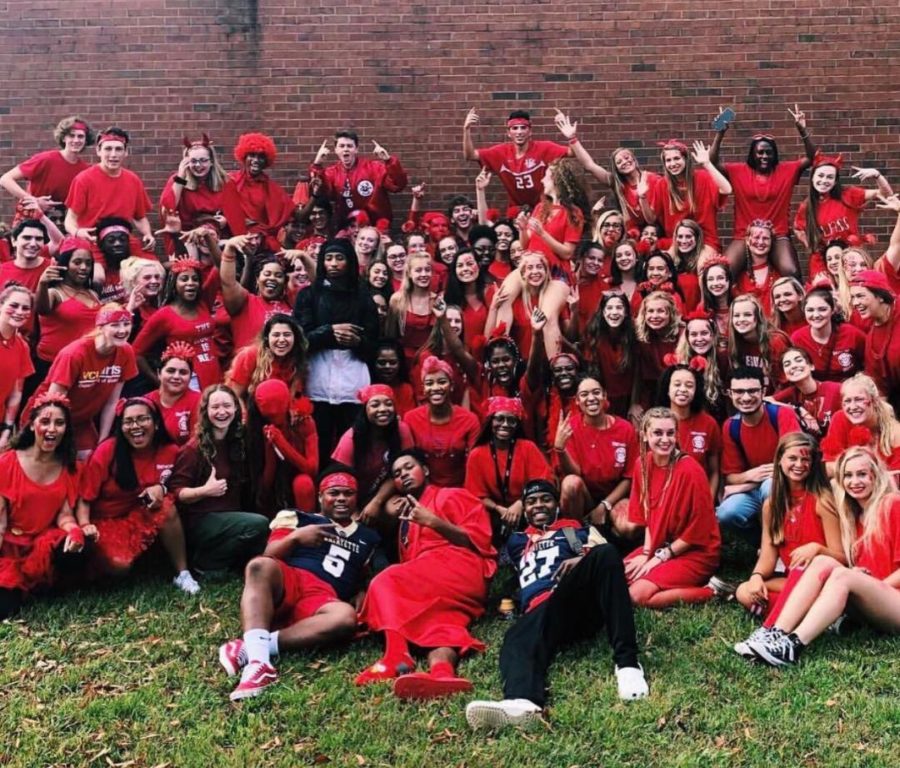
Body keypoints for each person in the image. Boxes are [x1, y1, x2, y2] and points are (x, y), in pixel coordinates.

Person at [465, 479, 647, 728]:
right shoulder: (516, 542)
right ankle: (524, 703)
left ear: (556, 505)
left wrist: (582, 557)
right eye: (531, 501)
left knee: (605, 554)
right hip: (537, 615)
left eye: (545, 499)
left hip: (571, 599)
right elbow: (483, 554)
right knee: (515, 637)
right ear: (524, 509)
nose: (539, 505)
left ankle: (627, 664)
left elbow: (606, 559)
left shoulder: (573, 531)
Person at [219, 466, 382, 701]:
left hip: (323, 596)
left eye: (348, 493)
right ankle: (259, 664)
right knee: (258, 566)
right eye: (333, 493)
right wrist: (296, 537)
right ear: (320, 496)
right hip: (291, 578)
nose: (341, 499)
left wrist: (362, 589)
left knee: (346, 617)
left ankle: (253, 647)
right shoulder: (301, 518)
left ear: (357, 498)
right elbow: (269, 554)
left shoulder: (369, 537)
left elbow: (370, 574)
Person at [740, 446, 900, 666]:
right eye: (848, 475)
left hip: (894, 601)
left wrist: (871, 585)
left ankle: (793, 646)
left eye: (862, 474)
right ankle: (774, 632)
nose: (855, 481)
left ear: (876, 476)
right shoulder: (851, 516)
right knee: (823, 561)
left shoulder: (892, 505)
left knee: (842, 576)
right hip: (872, 606)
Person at [356, 449, 496, 700]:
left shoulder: (452, 495)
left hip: (460, 567)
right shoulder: (406, 520)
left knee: (384, 581)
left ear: (427, 470)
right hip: (435, 579)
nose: (403, 475)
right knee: (440, 624)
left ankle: (395, 656)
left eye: (409, 467)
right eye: (397, 474)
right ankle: (443, 673)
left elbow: (478, 540)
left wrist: (433, 521)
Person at [76, 397, 199, 593]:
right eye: (128, 421)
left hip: (138, 515)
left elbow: (176, 486)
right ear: (121, 426)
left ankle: (182, 573)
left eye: (143, 419)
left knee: (166, 506)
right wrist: (84, 525)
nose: (135, 426)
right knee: (120, 567)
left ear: (156, 423)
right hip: (103, 522)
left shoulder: (171, 451)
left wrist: (162, 488)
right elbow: (84, 497)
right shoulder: (108, 450)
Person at [733, 433, 843, 629]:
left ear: (813, 464)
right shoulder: (771, 505)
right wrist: (757, 576)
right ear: (780, 461)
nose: (799, 464)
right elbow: (768, 556)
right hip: (792, 581)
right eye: (792, 458)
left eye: (805, 459)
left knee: (764, 590)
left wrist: (817, 548)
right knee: (744, 591)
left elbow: (842, 559)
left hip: (821, 580)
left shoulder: (822, 502)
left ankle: (817, 613)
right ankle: (822, 617)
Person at [624, 408, 724, 608]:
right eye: (657, 433)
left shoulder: (691, 471)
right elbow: (648, 518)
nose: (665, 439)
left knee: (636, 596)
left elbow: (699, 531)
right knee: (617, 577)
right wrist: (646, 553)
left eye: (670, 433)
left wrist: (658, 559)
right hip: (661, 543)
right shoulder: (641, 464)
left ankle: (712, 591)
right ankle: (661, 579)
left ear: (677, 435)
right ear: (645, 435)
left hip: (695, 551)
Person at [169, 384, 269, 578]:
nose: (222, 412)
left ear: (235, 409)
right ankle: (207, 564)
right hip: (201, 519)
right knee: (258, 524)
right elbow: (177, 493)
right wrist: (205, 491)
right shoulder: (194, 448)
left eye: (227, 406)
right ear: (206, 411)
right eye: (215, 407)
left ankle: (231, 562)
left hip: (229, 515)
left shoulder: (237, 441)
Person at [294, 239, 380, 457]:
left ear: (349, 262)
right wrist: (329, 332)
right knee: (319, 442)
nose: (333, 263)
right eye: (328, 258)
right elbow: (300, 339)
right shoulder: (309, 295)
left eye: (339, 258)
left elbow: (374, 343)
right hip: (318, 376)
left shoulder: (363, 297)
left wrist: (358, 342)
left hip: (353, 376)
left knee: (350, 441)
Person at [0, 394, 83, 619]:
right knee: (5, 609)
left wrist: (74, 531)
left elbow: (65, 515)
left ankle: (42, 585)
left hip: (42, 545)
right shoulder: (7, 462)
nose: (52, 429)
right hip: (9, 547)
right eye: (45, 422)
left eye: (59, 423)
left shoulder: (69, 466)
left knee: (74, 550)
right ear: (32, 424)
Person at [710, 105, 815, 275]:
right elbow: (713, 163)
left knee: (791, 271)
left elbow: (812, 157)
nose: (764, 156)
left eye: (769, 152)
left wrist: (802, 130)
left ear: (775, 154)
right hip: (744, 235)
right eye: (760, 152)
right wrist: (720, 133)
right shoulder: (737, 171)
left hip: (778, 234)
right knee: (723, 272)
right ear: (752, 154)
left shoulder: (787, 170)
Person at [26, 304, 138, 457]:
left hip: (81, 421)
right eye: (115, 325)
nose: (122, 330)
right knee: (52, 462)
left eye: (126, 324)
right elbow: (53, 404)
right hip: (47, 419)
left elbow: (112, 402)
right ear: (101, 327)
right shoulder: (74, 354)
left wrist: (102, 440)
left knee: (92, 460)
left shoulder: (126, 352)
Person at [717, 366, 801, 543]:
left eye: (752, 391)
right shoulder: (731, 426)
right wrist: (748, 476)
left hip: (784, 485)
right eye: (739, 392)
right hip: (755, 488)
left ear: (763, 391)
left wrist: (745, 485)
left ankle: (777, 543)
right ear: (730, 394)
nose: (746, 397)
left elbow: (793, 462)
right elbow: (731, 477)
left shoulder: (780, 414)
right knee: (726, 512)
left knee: (769, 485)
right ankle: (761, 539)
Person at [554, 375, 638, 538]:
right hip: (584, 497)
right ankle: (574, 540)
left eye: (596, 392)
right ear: (577, 401)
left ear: (604, 396)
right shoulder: (571, 427)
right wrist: (560, 449)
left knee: (630, 528)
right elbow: (575, 474)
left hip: (614, 497)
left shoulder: (625, 429)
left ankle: (610, 538)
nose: (591, 398)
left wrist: (604, 506)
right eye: (584, 394)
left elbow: (629, 478)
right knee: (570, 484)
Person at [465, 397, 552, 540]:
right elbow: (475, 495)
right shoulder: (476, 454)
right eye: (499, 419)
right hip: (494, 513)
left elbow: (543, 483)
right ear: (490, 421)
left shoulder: (528, 447)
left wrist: (520, 503)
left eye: (511, 420)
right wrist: (499, 509)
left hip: (526, 508)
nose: (505, 424)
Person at [555, 111, 659, 231]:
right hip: (630, 233)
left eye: (626, 157)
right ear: (616, 168)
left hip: (654, 231)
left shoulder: (652, 179)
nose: (624, 162)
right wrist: (572, 138)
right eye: (619, 162)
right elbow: (589, 165)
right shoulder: (616, 182)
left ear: (634, 159)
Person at [132, 259, 221, 391]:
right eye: (184, 279)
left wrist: (207, 237)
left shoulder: (204, 302)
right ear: (174, 284)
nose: (190, 283)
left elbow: (221, 264)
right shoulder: (164, 315)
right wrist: (160, 382)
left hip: (215, 374)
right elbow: (136, 353)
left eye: (195, 279)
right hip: (190, 381)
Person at [64, 127, 155, 253]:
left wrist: (148, 234)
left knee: (155, 269)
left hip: (121, 242)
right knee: (98, 273)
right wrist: (78, 232)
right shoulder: (83, 179)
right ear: (98, 151)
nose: (113, 155)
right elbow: (70, 219)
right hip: (91, 241)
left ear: (125, 152)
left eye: (118, 149)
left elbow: (139, 217)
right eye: (108, 149)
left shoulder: (133, 180)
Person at [332, 384, 413, 519]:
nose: (383, 409)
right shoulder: (350, 438)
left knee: (396, 508)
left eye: (388, 404)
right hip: (354, 496)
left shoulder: (401, 430)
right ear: (365, 410)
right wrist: (354, 510)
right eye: (375, 405)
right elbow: (341, 479)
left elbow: (404, 471)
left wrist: (377, 502)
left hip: (388, 492)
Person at [641, 139, 732, 256]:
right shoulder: (662, 184)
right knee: (664, 265)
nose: (673, 164)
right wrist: (642, 197)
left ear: (686, 159)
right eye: (668, 160)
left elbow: (727, 189)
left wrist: (707, 164)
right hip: (677, 240)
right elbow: (651, 219)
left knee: (703, 268)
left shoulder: (703, 177)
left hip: (705, 239)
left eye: (677, 158)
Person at [0, 116, 94, 227]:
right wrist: (34, 201)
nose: (76, 140)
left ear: (85, 140)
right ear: (64, 138)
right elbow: (6, 179)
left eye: (80, 136)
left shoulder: (85, 170)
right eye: (71, 136)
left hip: (60, 224)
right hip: (32, 222)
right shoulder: (46, 159)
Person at [793, 152, 892, 254]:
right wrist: (812, 247)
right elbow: (798, 229)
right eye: (820, 175)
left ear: (835, 181)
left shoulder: (848, 194)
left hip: (852, 257)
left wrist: (877, 175)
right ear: (813, 178)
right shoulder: (806, 206)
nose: (824, 180)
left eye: (830, 177)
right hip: (827, 259)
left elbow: (885, 194)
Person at [403, 357, 479, 488]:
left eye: (442, 382)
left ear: (452, 386)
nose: (435, 388)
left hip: (460, 489)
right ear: (423, 389)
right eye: (429, 383)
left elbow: (474, 465)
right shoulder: (410, 418)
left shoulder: (469, 420)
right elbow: (408, 463)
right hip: (424, 489)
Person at [247, 379, 318, 516]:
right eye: (270, 415)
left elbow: (312, 469)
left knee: (303, 483)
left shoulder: (304, 422)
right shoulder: (254, 429)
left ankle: (307, 525)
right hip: (272, 493)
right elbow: (263, 489)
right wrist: (270, 452)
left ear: (288, 403)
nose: (275, 416)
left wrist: (281, 443)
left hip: (300, 483)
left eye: (279, 410)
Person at [310, 130, 407, 230]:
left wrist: (388, 160)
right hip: (347, 228)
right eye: (342, 146)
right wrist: (317, 165)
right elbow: (322, 194)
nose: (345, 149)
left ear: (356, 149)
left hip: (376, 227)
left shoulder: (374, 168)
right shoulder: (331, 173)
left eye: (349, 146)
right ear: (335, 150)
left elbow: (397, 185)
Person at [35, 236, 100, 380]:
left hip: (84, 366)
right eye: (77, 262)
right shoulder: (54, 293)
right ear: (65, 264)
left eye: (88, 263)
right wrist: (43, 284)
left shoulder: (93, 293)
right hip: (52, 366)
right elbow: (41, 309)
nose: (84, 267)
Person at [658, 356, 721, 499]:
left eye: (689, 385)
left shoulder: (708, 423)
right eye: (677, 384)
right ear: (667, 388)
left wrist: (708, 503)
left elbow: (714, 472)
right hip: (664, 497)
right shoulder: (654, 422)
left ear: (696, 390)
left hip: (698, 495)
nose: (683, 389)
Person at [219, 234, 292, 350]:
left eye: (278, 275)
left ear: (284, 281)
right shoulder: (245, 302)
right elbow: (228, 283)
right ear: (258, 279)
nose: (272, 278)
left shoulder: (291, 304)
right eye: (267, 274)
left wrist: (304, 257)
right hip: (250, 367)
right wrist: (229, 249)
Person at [221, 133, 294, 249]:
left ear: (266, 161)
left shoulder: (271, 188)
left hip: (261, 243)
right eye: (252, 155)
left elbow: (292, 212)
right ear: (244, 156)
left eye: (261, 157)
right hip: (233, 241)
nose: (256, 160)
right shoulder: (230, 182)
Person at [821, 373, 900, 474]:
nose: (853, 407)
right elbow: (828, 467)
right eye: (847, 401)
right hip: (850, 484)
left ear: (874, 401)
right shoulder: (840, 418)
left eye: (859, 399)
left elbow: (897, 475)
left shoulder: (895, 432)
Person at [791, 282, 865, 382]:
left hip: (849, 393)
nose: (816, 315)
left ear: (833, 310)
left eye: (822, 309)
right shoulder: (797, 338)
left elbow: (869, 368)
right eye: (810, 310)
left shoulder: (852, 333)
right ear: (804, 311)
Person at [226, 313, 307, 404]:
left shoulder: (297, 359)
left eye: (287, 335)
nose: (281, 340)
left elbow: (294, 399)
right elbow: (234, 395)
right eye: (276, 335)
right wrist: (244, 417)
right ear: (266, 338)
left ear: (295, 338)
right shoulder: (249, 355)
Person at [849, 270, 900, 413]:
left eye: (860, 296)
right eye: (853, 297)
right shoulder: (871, 341)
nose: (855, 302)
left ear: (880, 296)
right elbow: (881, 388)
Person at [580, 291, 636, 417]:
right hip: (604, 397)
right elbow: (592, 373)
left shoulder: (633, 335)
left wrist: (634, 403)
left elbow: (637, 373)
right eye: (609, 308)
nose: (614, 312)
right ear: (603, 312)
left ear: (626, 312)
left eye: (619, 307)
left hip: (629, 397)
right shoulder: (594, 335)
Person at [159, 134, 227, 231]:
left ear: (211, 161)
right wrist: (181, 177)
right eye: (193, 161)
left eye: (203, 160)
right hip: (186, 234)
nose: (198, 165)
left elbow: (235, 211)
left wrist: (226, 220)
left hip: (216, 233)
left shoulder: (224, 181)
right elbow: (167, 208)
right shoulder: (178, 179)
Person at [775, 347, 842, 436]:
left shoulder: (834, 389)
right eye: (787, 364)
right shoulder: (791, 393)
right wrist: (796, 409)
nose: (793, 366)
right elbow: (765, 401)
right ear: (785, 375)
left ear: (811, 366)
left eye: (798, 360)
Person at [0, 286, 35, 450]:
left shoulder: (22, 346)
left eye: (26, 308)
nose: (20, 311)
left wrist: (7, 430)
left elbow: (16, 393)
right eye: (14, 305)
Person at [146, 342, 201, 445]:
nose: (176, 377)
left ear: (190, 377)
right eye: (171, 371)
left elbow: (196, 445)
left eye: (183, 372)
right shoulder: (146, 401)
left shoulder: (199, 401)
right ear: (159, 373)